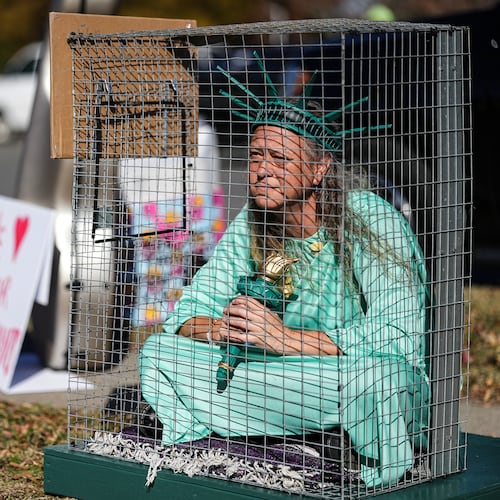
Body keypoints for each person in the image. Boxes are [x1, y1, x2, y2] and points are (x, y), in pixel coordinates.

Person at [139, 63, 430, 488]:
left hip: (348, 378)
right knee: (160, 357)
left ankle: (361, 466)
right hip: (282, 377)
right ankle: (220, 448)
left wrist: (285, 339)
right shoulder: (251, 220)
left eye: (279, 158)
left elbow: (398, 336)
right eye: (256, 155)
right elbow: (186, 312)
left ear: (319, 169)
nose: (262, 170)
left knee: (379, 381)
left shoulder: (369, 218)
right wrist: (222, 329)